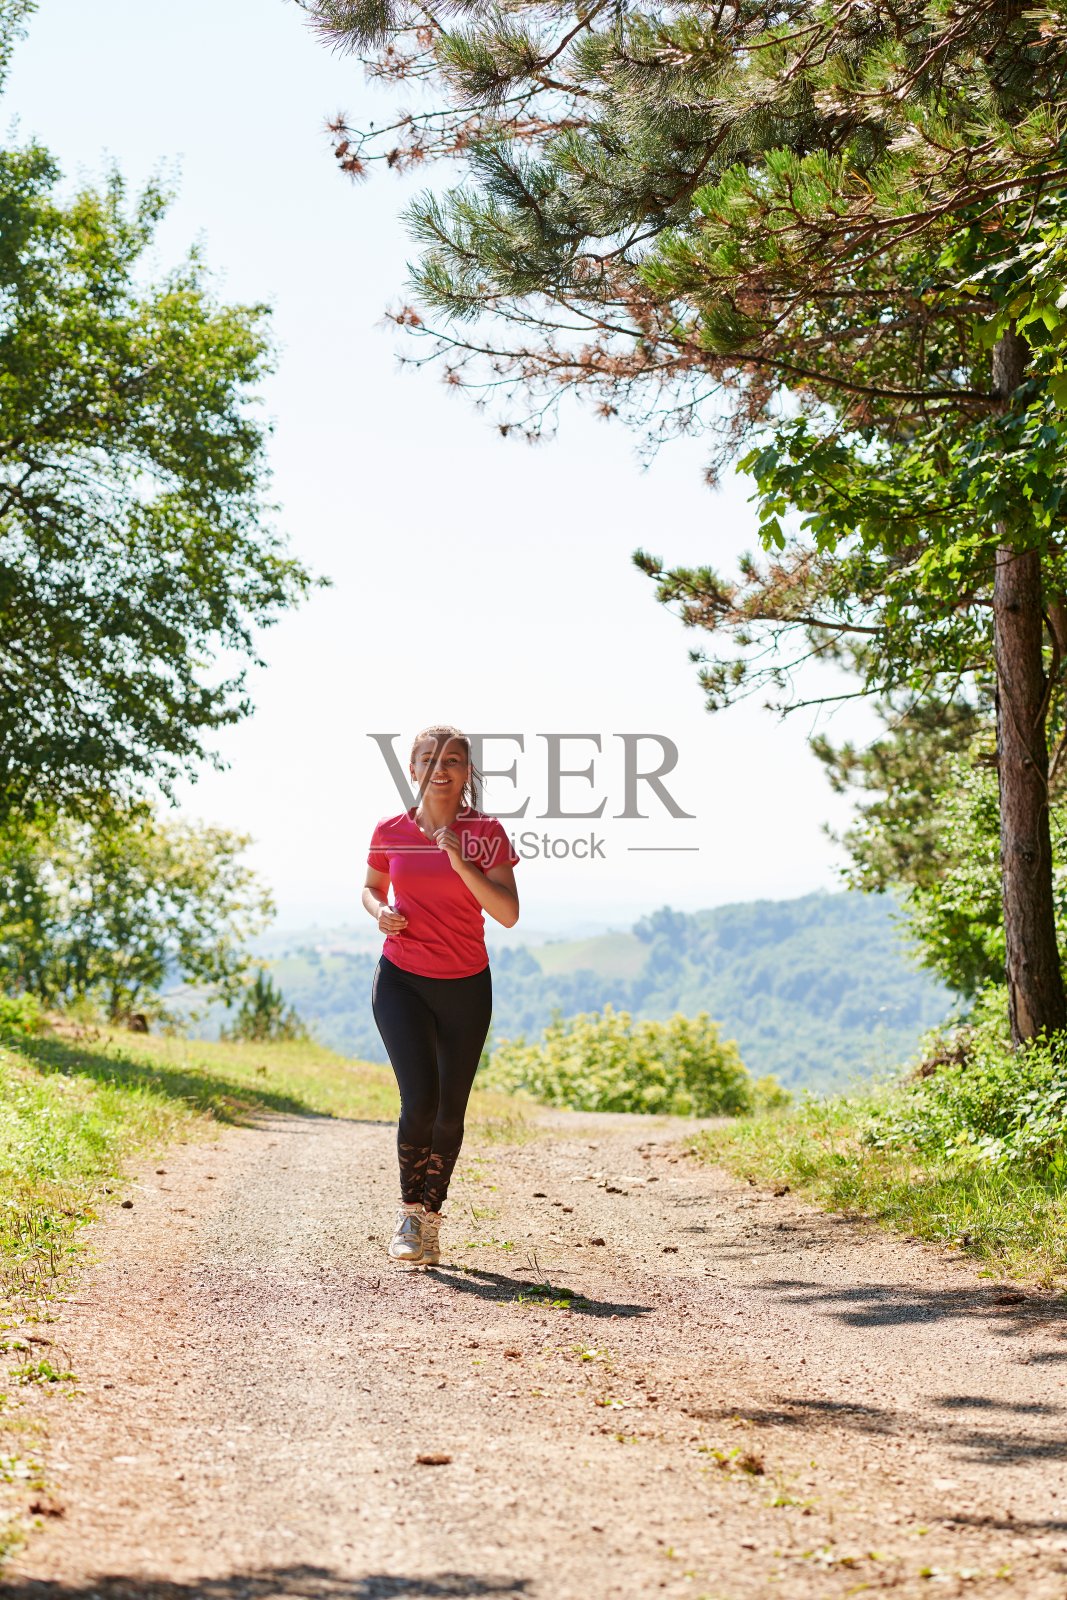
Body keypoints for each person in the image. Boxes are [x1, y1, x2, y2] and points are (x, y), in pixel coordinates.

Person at [363, 725, 520, 1267]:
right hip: (402, 979)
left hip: (466, 985)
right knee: (420, 1100)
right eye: (428, 759)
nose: (440, 768)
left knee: (451, 1111)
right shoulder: (390, 829)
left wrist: (461, 863)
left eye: (452, 759)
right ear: (412, 769)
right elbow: (369, 887)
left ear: (466, 772)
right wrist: (378, 912)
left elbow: (507, 913)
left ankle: (432, 1219)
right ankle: (409, 1214)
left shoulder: (487, 833)